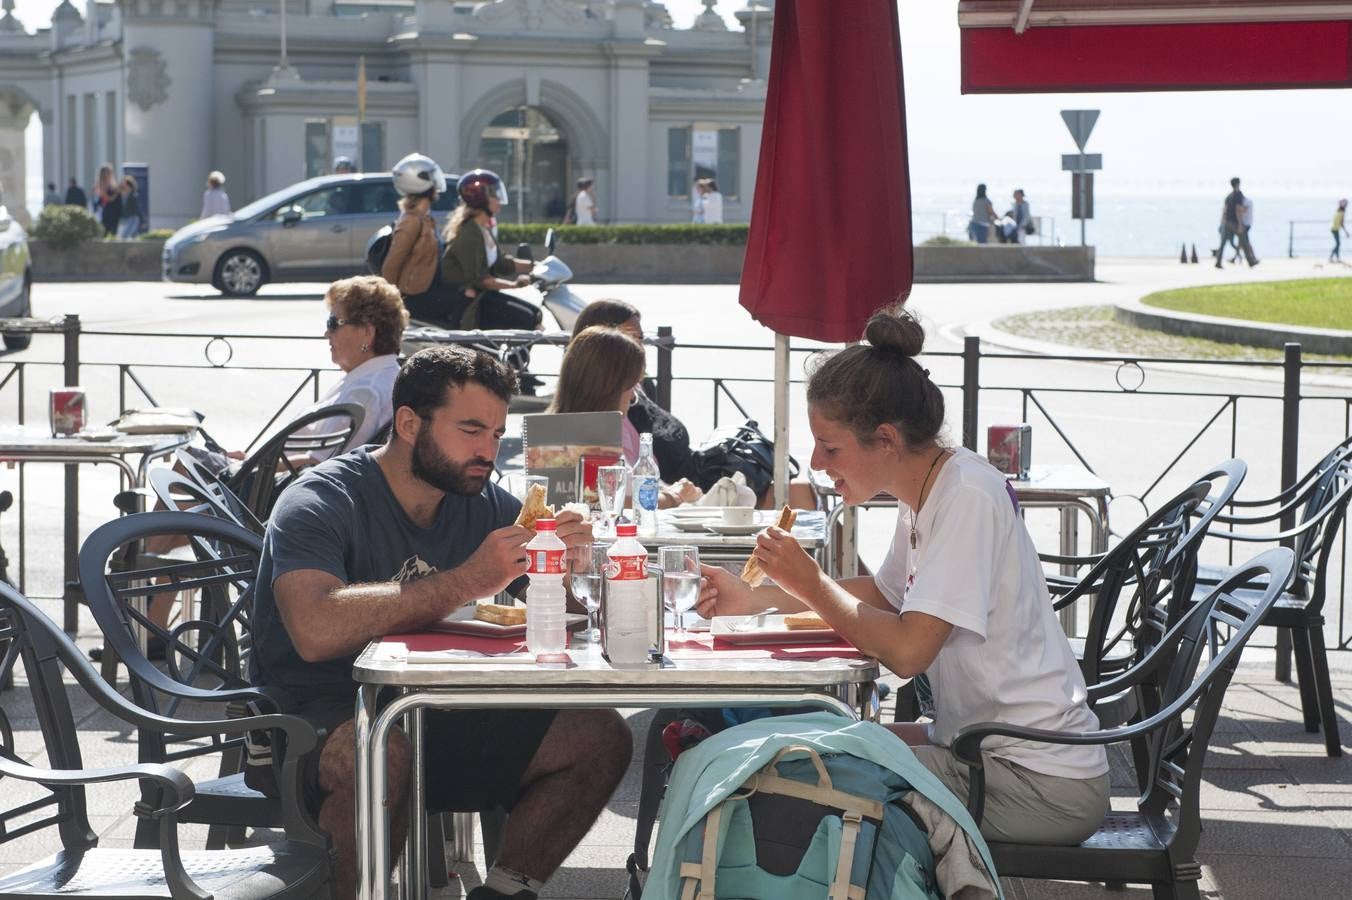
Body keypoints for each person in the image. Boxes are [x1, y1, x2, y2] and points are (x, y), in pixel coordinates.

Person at [696, 307, 1110, 846]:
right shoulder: (933, 486)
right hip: (983, 750)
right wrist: (752, 597)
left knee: (790, 780)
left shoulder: (964, 496)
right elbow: (888, 597)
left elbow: (908, 651)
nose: (817, 463)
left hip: (1034, 783)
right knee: (801, 745)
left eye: (831, 446)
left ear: (886, 439)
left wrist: (812, 582)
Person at [251, 346, 632, 900]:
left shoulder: (485, 504)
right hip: (314, 714)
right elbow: (314, 630)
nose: (487, 451)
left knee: (598, 735)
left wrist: (566, 572)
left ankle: (501, 893)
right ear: (408, 422)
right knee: (381, 752)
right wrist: (465, 581)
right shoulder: (318, 499)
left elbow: (569, 626)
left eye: (498, 435)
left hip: (440, 709)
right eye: (471, 430)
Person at [89, 275, 411, 662]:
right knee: (184, 503)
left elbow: (322, 462)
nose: (326, 334)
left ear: (366, 331)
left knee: (184, 473)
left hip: (287, 499)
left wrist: (258, 463)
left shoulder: (365, 388)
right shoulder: (381, 377)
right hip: (291, 487)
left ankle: (132, 596)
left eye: (333, 322)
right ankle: (145, 611)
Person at [549, 325, 701, 507]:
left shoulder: (559, 432)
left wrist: (672, 492)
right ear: (610, 388)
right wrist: (674, 497)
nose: (632, 397)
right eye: (631, 387)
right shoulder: (591, 436)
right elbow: (607, 502)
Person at [571, 299, 697, 484]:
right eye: (630, 338)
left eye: (640, 339)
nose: (639, 348)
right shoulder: (599, 418)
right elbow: (621, 489)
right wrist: (674, 497)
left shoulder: (638, 386)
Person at [438, 169, 541, 332]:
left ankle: (512, 357)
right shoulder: (470, 233)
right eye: (495, 195)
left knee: (536, 313)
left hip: (484, 295)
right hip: (471, 302)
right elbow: (479, 279)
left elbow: (500, 263)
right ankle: (507, 358)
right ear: (481, 199)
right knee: (527, 318)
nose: (499, 201)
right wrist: (514, 285)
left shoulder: (482, 228)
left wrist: (535, 267)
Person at [381, 152, 446, 310]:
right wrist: (391, 304)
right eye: (431, 177)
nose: (436, 183)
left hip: (428, 287)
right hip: (415, 293)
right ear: (420, 182)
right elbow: (391, 266)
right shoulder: (411, 221)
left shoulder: (424, 218)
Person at [1215, 176, 1258, 268]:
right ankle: (1250, 261)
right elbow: (1238, 209)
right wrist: (1240, 224)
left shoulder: (1228, 196)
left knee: (1222, 244)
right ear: (1238, 184)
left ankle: (1218, 262)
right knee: (1244, 242)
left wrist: (1222, 224)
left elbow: (1224, 211)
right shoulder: (1238, 195)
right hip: (1235, 223)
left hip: (1226, 223)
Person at [93, 164, 120, 236]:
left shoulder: (112, 183)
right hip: (106, 211)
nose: (110, 174)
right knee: (106, 231)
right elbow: (107, 198)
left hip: (115, 211)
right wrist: (116, 193)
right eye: (108, 172)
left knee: (114, 232)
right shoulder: (101, 184)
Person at [1332, 199, 1349, 264]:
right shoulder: (1342, 213)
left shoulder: (1338, 211)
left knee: (1338, 244)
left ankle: (1337, 257)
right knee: (1338, 244)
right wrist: (1346, 232)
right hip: (1335, 229)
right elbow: (1342, 224)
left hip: (1334, 229)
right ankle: (1333, 257)